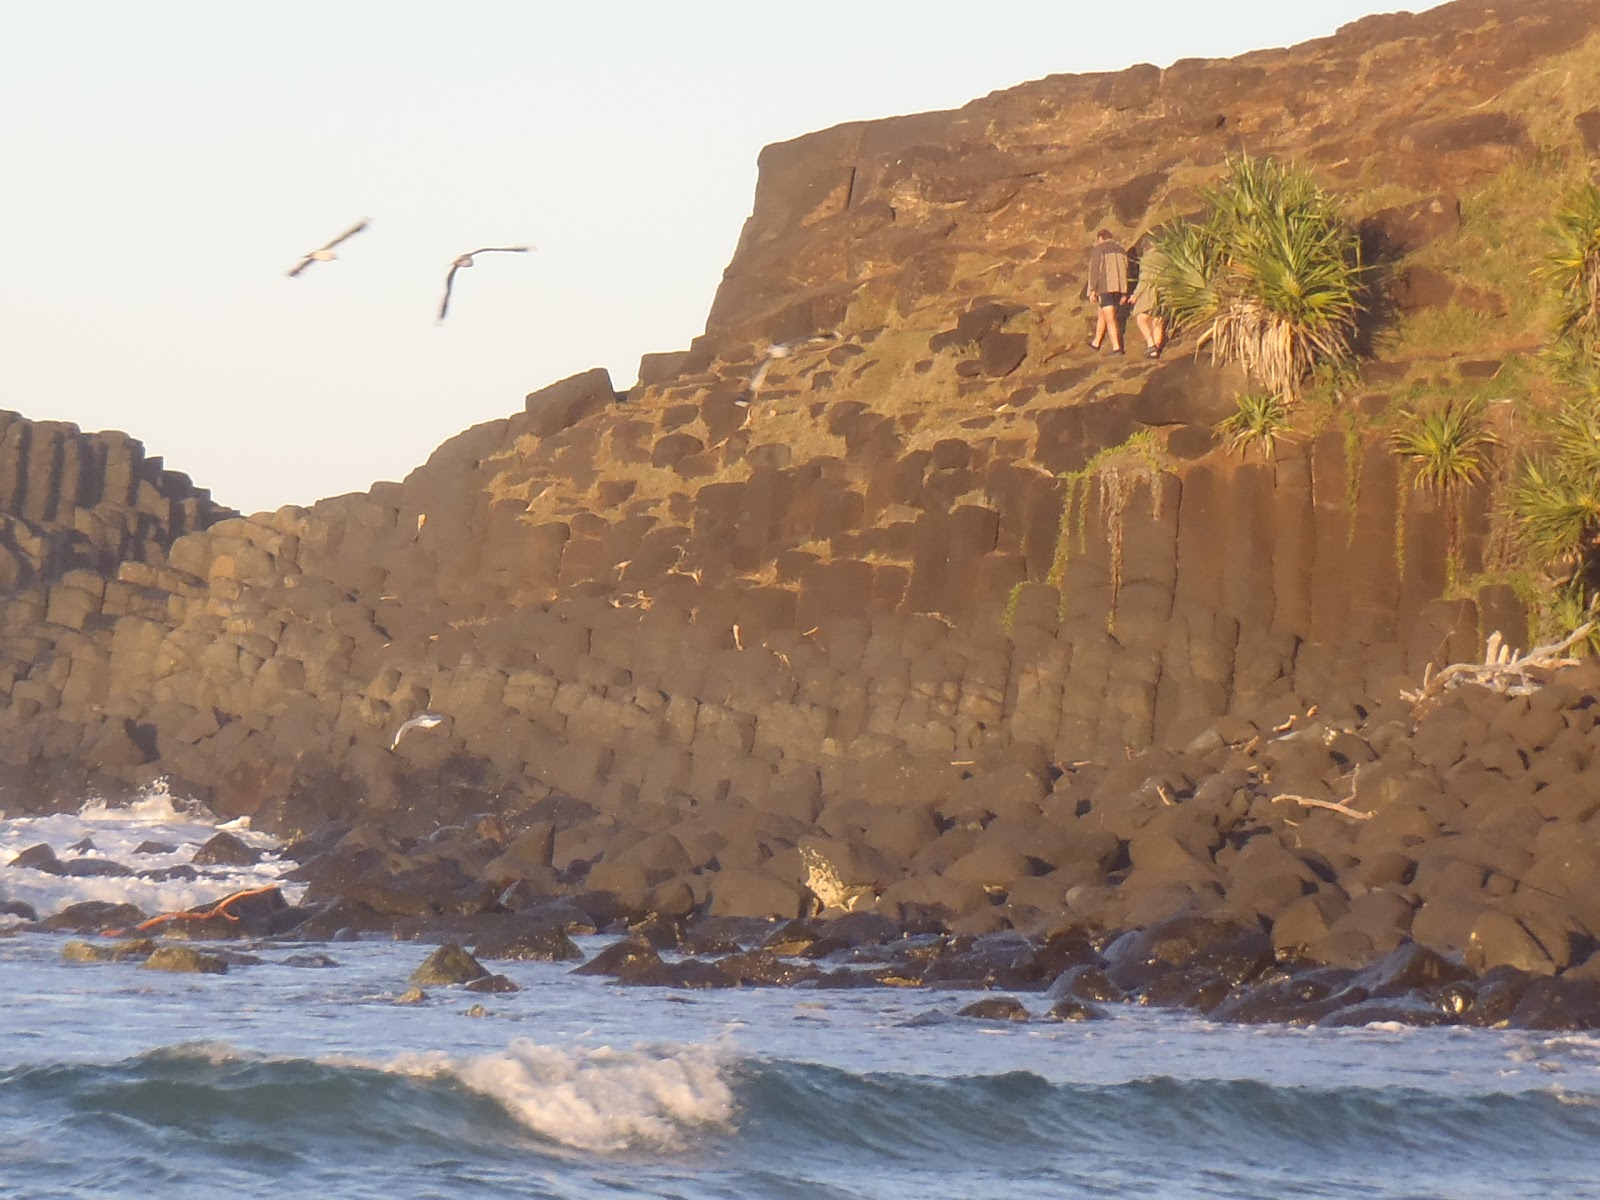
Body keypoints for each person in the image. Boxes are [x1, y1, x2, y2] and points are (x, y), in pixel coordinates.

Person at [1085, 229, 1129, 354]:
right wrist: (1125, 292)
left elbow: (1094, 271)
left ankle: (1116, 347)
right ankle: (1096, 342)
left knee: (1109, 317)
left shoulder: (1100, 250)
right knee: (1102, 313)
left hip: (1106, 287)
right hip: (1120, 287)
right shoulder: (1121, 250)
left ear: (1100, 238)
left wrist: (1092, 289)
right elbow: (1126, 270)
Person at [1129, 233, 1167, 359]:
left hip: (1150, 292)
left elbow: (1144, 279)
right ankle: (1156, 350)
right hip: (1165, 292)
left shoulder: (1147, 259)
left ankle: (1151, 345)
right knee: (1158, 320)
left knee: (1141, 317)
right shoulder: (1165, 257)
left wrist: (1135, 295)